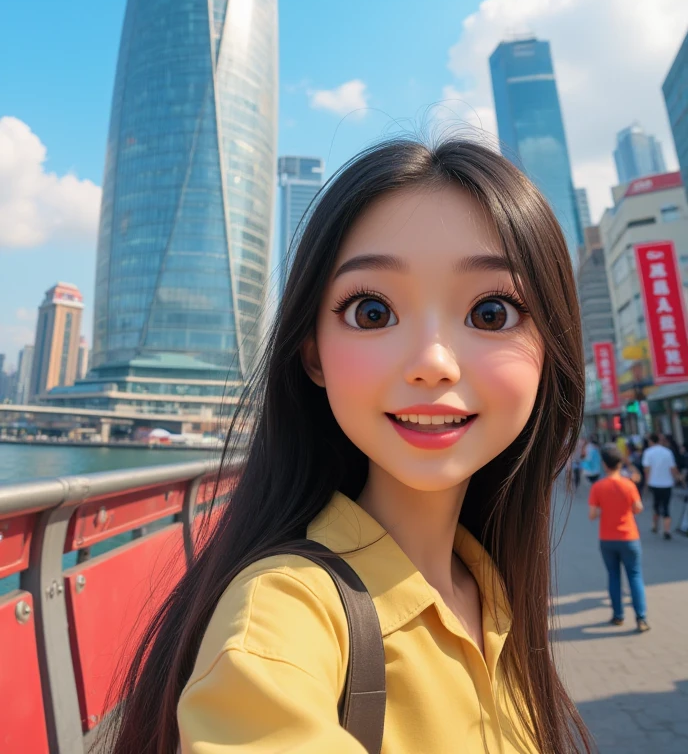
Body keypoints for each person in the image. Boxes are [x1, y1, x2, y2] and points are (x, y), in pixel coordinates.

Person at [106, 138, 593, 754]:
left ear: (552, 348)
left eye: (491, 313)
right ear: (312, 353)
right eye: (371, 312)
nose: (432, 364)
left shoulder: (489, 589)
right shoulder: (283, 617)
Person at [589, 444, 649, 632]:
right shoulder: (628, 485)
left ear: (605, 465)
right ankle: (641, 618)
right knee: (635, 575)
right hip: (629, 537)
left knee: (613, 576)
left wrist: (604, 508)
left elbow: (592, 514)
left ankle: (618, 616)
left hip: (607, 538)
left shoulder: (598, 486)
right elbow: (638, 508)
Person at [642, 432, 684, 538]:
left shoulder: (648, 452)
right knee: (666, 505)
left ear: (651, 441)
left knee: (656, 504)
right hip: (667, 483)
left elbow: (647, 469)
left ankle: (655, 525)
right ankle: (667, 530)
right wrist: (678, 477)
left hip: (654, 483)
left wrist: (646, 484)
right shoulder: (667, 452)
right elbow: (672, 468)